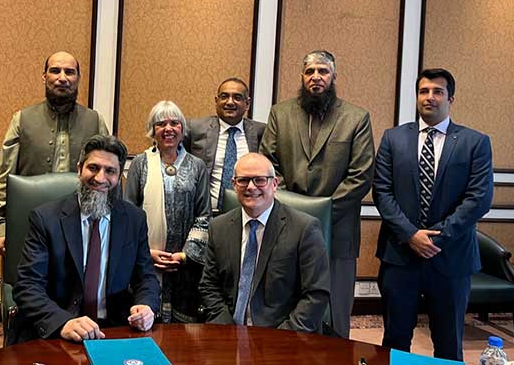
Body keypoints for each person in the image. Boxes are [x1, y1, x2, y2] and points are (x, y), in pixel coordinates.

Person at [373, 68, 493, 361]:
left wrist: (436, 238)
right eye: (424, 91)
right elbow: (382, 192)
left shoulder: (475, 142)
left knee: (449, 342)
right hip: (400, 256)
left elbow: (479, 199)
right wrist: (411, 235)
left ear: (451, 98)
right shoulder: (393, 138)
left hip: (451, 258)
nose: (430, 97)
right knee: (395, 340)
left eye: (437, 91)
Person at [260, 50, 374, 338]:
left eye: (323, 71)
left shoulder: (356, 118)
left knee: (334, 314)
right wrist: (295, 214)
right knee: (287, 307)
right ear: (302, 77)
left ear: (334, 77)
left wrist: (319, 215)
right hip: (285, 226)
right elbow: (268, 165)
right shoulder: (280, 113)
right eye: (310, 72)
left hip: (338, 229)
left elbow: (361, 174)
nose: (316, 77)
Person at [14, 135, 160, 342]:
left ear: (119, 177)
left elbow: (145, 277)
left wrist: (146, 305)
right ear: (79, 168)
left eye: (110, 171)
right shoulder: (45, 218)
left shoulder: (134, 219)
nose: (100, 178)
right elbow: (27, 285)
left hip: (114, 329)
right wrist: (62, 322)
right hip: (60, 328)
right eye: (93, 168)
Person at [0, 51, 109, 255]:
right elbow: (3, 177)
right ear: (44, 76)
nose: (62, 78)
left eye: (69, 72)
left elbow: (109, 178)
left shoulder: (95, 121)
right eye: (55, 71)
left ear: (78, 78)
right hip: (29, 224)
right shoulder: (22, 119)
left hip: (81, 226)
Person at [199, 153, 330, 332]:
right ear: (234, 184)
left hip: (283, 337)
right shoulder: (218, 227)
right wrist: (227, 331)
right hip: (228, 333)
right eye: (243, 180)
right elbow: (209, 285)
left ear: (274, 184)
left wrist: (279, 340)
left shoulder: (304, 228)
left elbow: (316, 295)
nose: (251, 187)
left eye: (260, 180)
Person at [125, 101, 211, 323]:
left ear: (182, 129)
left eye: (174, 123)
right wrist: (146, 252)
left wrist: (185, 255)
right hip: (146, 261)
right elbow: (128, 215)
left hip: (185, 266)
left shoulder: (197, 166)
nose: (168, 129)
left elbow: (204, 216)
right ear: (152, 131)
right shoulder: (140, 164)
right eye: (161, 124)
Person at [184, 77, 266, 216]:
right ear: (216, 101)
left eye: (237, 97)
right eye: (224, 97)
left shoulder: (261, 131)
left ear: (247, 103)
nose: (230, 102)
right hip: (205, 213)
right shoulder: (194, 128)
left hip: (247, 213)